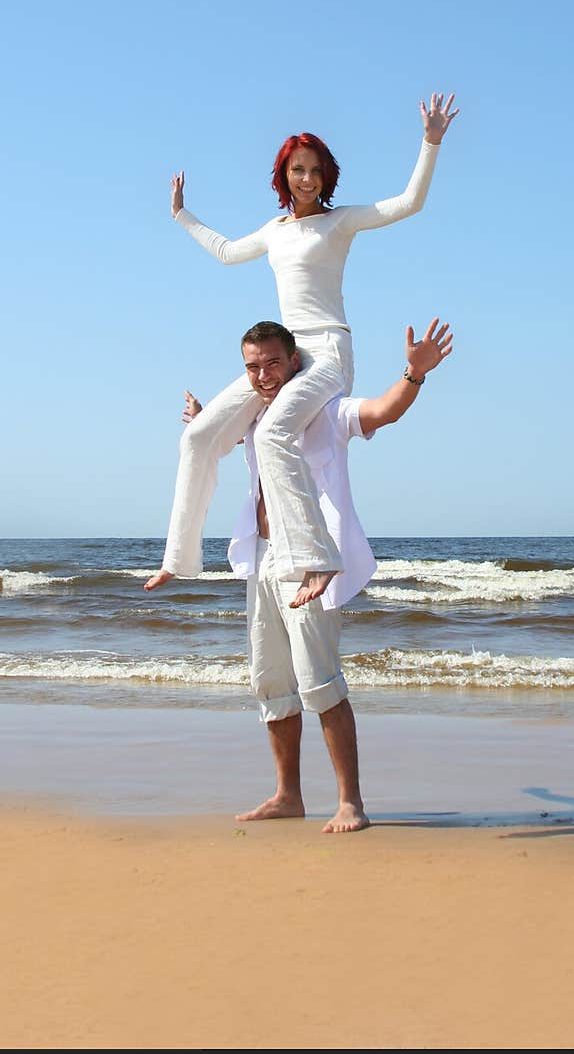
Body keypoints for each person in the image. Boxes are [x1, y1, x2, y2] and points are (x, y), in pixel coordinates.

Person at [145, 93, 459, 608]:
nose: (307, 179)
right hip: (284, 356)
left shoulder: (340, 222)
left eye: (315, 170)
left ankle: (319, 557)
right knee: (200, 436)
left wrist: (431, 141)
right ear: (284, 175)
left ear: (326, 175)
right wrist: (181, 215)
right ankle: (177, 558)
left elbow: (409, 203)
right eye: (297, 170)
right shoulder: (274, 231)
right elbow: (226, 253)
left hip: (328, 352)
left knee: (272, 434)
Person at [175, 315, 453, 833]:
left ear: (295, 361)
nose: (262, 376)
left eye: (272, 363)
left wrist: (414, 374)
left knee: (320, 681)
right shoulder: (256, 418)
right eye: (252, 368)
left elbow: (381, 411)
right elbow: (220, 439)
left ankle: (351, 802)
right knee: (271, 682)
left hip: (310, 563)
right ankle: (288, 795)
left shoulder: (326, 410)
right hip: (262, 558)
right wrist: (201, 419)